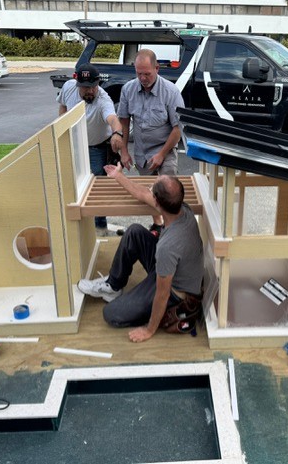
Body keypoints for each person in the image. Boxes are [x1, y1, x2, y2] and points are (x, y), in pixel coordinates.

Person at [78, 162, 204, 343]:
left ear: (158, 203)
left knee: (111, 314)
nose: (149, 188)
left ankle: (144, 313)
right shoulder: (182, 208)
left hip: (176, 290)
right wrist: (119, 176)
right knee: (134, 232)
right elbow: (145, 194)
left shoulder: (167, 247)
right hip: (173, 266)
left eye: (153, 188)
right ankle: (113, 285)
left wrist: (149, 329)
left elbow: (162, 294)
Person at [115, 49, 185, 237]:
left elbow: (178, 129)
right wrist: (124, 151)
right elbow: (123, 120)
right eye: (139, 73)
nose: (143, 78)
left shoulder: (171, 92)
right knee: (149, 193)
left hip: (166, 149)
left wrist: (162, 154)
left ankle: (171, 231)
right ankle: (157, 226)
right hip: (142, 152)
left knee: (167, 193)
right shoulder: (128, 89)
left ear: (157, 68)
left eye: (147, 73)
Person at [57, 63, 124, 236]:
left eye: (93, 86)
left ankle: (99, 226)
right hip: (74, 144)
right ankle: (79, 226)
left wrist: (117, 133)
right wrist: (62, 128)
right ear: (77, 84)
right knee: (73, 183)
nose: (90, 91)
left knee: (96, 188)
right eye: (85, 87)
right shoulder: (68, 87)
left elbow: (113, 119)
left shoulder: (103, 100)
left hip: (97, 148)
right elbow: (63, 106)